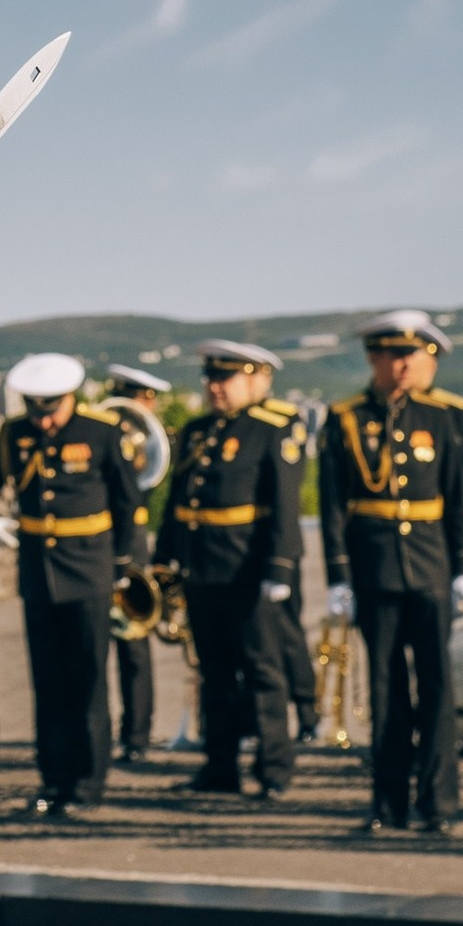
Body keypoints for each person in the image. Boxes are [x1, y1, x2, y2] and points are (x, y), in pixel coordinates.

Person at [318, 309, 463, 836]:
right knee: (385, 688)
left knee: (436, 686)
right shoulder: (345, 418)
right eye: (395, 355)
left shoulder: (446, 415)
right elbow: (333, 506)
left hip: (431, 567)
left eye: (413, 354)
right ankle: (387, 803)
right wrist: (339, 577)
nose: (406, 365)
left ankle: (438, 803)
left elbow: (459, 500)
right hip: (375, 570)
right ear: (374, 358)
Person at [0, 352, 143, 817]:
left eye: (51, 409)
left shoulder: (103, 432)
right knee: (48, 685)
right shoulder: (14, 434)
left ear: (71, 398)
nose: (43, 420)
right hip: (38, 575)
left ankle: (87, 783)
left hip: (89, 573)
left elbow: (127, 503)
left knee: (87, 682)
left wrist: (121, 566)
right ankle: (53, 779)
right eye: (34, 409)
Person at [155, 340, 303, 801]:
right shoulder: (197, 431)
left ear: (253, 380)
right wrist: (163, 560)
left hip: (247, 571)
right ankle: (219, 767)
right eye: (210, 378)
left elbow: (284, 506)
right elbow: (178, 503)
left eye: (225, 379)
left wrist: (279, 568)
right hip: (202, 569)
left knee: (262, 672)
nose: (214, 387)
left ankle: (274, 769)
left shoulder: (270, 430)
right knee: (214, 673)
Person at [103, 363, 167, 763]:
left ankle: (137, 734)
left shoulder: (149, 441)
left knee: (133, 640)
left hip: (133, 543)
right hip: (97, 538)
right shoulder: (107, 434)